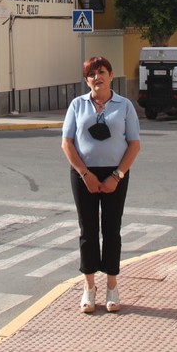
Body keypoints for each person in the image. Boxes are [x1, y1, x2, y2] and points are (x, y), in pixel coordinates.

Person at [61, 56, 141, 313]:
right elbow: (67, 143)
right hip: (83, 174)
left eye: (102, 72)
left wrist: (117, 175)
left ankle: (112, 286)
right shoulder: (77, 105)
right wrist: (85, 174)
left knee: (112, 229)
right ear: (86, 80)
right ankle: (89, 287)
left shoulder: (124, 106)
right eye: (92, 74)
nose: (98, 77)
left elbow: (134, 144)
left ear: (111, 75)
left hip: (115, 174)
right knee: (88, 230)